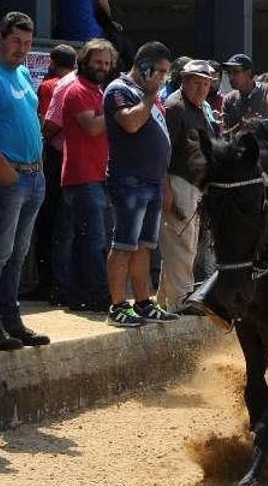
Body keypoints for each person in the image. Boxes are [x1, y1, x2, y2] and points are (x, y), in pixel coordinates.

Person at [0, 12, 51, 350]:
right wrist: (3, 168)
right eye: (17, 41)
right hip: (5, 177)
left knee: (17, 255)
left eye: (28, 43)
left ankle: (10, 320)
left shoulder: (20, 73)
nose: (22, 49)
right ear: (0, 38)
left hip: (32, 176)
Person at [103, 41, 179, 327]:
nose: (162, 78)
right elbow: (131, 123)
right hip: (129, 180)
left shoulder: (147, 94)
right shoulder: (119, 90)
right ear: (144, 67)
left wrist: (165, 182)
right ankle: (118, 305)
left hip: (151, 180)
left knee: (144, 246)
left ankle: (144, 302)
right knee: (123, 244)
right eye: (159, 72)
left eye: (165, 74)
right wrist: (149, 95)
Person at [53, 39, 117, 312]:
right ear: (84, 61)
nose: (102, 67)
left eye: (106, 63)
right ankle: (97, 296)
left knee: (89, 240)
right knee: (93, 242)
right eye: (97, 62)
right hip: (82, 177)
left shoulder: (97, 91)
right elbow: (91, 127)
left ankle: (81, 295)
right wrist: (116, 111)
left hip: (97, 176)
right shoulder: (77, 90)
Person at [157, 60, 216, 314]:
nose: (201, 88)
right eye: (196, 82)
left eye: (206, 83)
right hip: (179, 181)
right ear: (184, 80)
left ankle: (165, 301)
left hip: (196, 184)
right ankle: (181, 301)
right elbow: (162, 151)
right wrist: (166, 188)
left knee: (181, 243)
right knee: (182, 243)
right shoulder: (175, 107)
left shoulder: (200, 107)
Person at [32, 43, 77, 305]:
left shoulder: (50, 85)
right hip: (74, 161)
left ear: (51, 61)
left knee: (49, 224)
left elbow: (47, 124)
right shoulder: (81, 84)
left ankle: (48, 283)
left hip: (53, 158)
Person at [221, 54, 268, 131]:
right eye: (229, 72)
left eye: (235, 72)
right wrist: (243, 125)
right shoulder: (229, 100)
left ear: (248, 73)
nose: (231, 77)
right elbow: (225, 136)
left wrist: (262, 123)